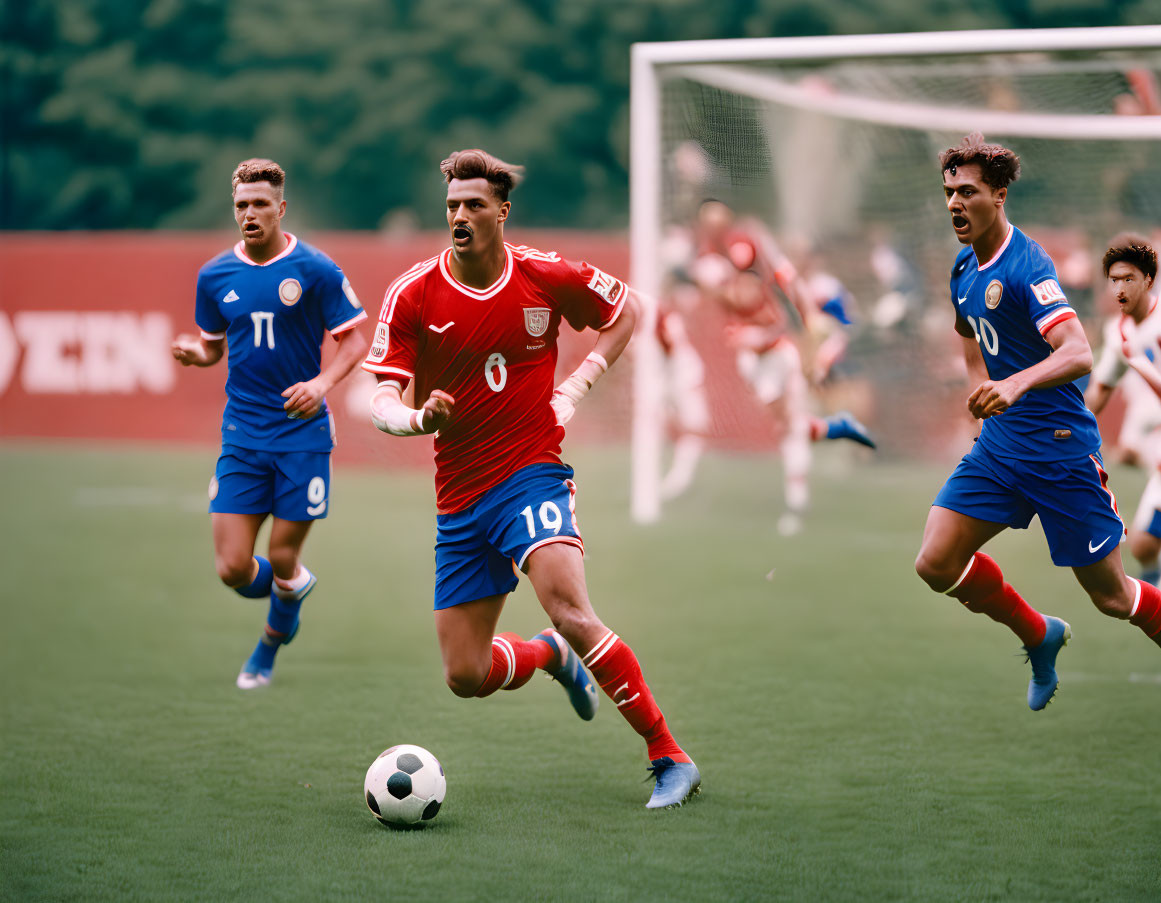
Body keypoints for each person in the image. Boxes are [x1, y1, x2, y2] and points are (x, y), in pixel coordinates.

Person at [363, 149, 699, 810]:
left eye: (474, 206)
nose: (459, 216)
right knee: (464, 673)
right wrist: (412, 418)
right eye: (452, 206)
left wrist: (576, 386)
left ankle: (669, 756)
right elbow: (379, 397)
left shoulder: (545, 274)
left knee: (569, 606)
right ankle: (548, 656)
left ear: (501, 211)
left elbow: (626, 309)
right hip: (460, 496)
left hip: (531, 472)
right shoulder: (413, 292)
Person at [913, 135, 1161, 713]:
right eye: (948, 191)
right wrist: (982, 392)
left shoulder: (1029, 266)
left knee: (1113, 597)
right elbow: (969, 335)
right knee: (935, 562)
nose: (954, 202)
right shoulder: (962, 266)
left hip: (1059, 451)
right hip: (1001, 448)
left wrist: (1013, 384)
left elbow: (1077, 352)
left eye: (967, 192)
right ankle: (1039, 633)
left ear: (998, 196)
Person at [172, 159, 369, 689]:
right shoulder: (214, 275)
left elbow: (355, 339)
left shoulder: (316, 270)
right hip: (242, 434)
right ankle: (292, 588)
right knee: (233, 569)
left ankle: (267, 645)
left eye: (261, 204)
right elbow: (214, 345)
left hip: (301, 436)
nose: (250, 213)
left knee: (282, 555)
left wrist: (322, 385)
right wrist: (197, 354)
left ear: (281, 208)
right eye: (241, 205)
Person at [690, 199, 875, 536]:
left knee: (791, 424)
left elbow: (785, 283)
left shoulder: (757, 263)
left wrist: (808, 320)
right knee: (786, 424)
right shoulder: (711, 267)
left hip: (779, 351)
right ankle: (822, 432)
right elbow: (726, 299)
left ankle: (798, 495)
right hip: (755, 359)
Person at [1087, 239, 1161, 584]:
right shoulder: (1117, 336)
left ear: (1148, 280)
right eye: (1114, 280)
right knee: (1144, 546)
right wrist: (1073, 425)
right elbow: (1101, 387)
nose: (1120, 288)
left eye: (1128, 278)